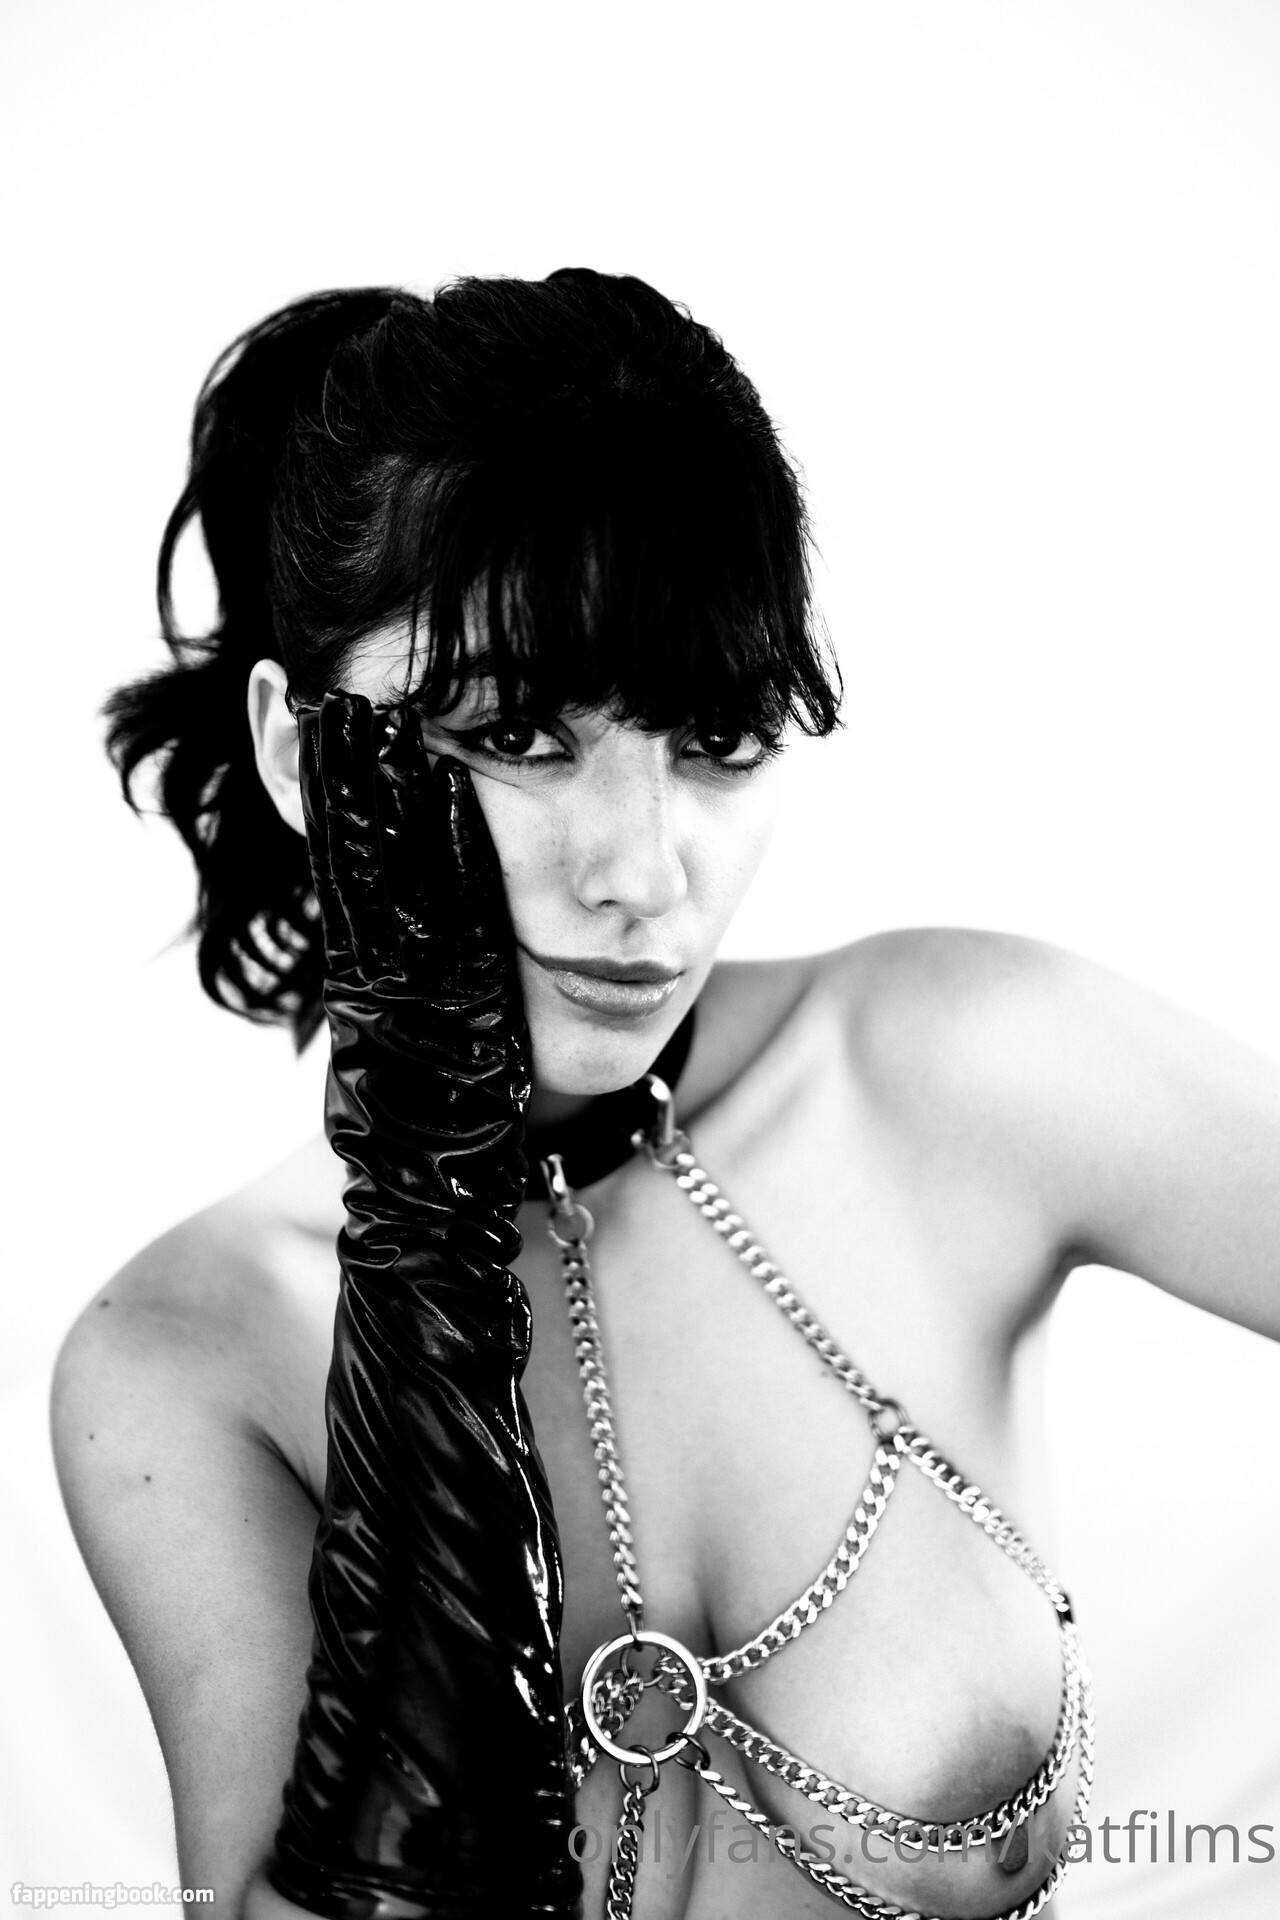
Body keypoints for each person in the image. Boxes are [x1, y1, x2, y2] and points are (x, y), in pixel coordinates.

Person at [50, 270, 1280, 1920]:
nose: (643, 873)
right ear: (301, 753)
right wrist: (421, 1203)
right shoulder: (183, 1357)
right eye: (515, 734)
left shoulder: (961, 1070)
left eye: (719, 736)